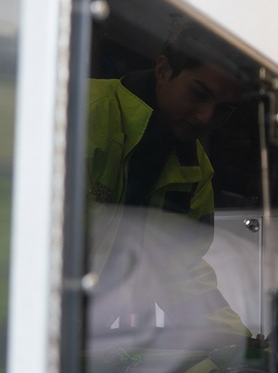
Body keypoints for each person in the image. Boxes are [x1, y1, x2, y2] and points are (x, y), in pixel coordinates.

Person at [86, 18, 250, 337]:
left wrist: (236, 345)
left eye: (224, 109)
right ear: (163, 70)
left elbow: (180, 272)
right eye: (199, 94)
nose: (206, 117)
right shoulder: (80, 113)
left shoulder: (195, 171)